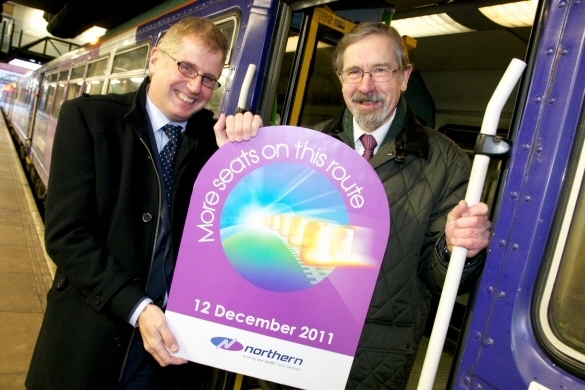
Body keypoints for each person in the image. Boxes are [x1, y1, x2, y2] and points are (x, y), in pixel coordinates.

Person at [25, 16, 262, 390]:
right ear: (155, 60)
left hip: (173, 357)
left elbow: (239, 235)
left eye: (209, 79)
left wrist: (246, 158)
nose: (195, 86)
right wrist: (138, 308)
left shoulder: (214, 144)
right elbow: (67, 236)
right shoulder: (89, 119)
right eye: (186, 67)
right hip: (91, 346)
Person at [315, 22, 492, 389]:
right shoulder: (305, 147)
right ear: (340, 78)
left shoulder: (447, 162)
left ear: (405, 76)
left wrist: (457, 248)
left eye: (381, 70)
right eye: (354, 72)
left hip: (377, 356)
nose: (366, 86)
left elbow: (442, 279)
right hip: (295, 334)